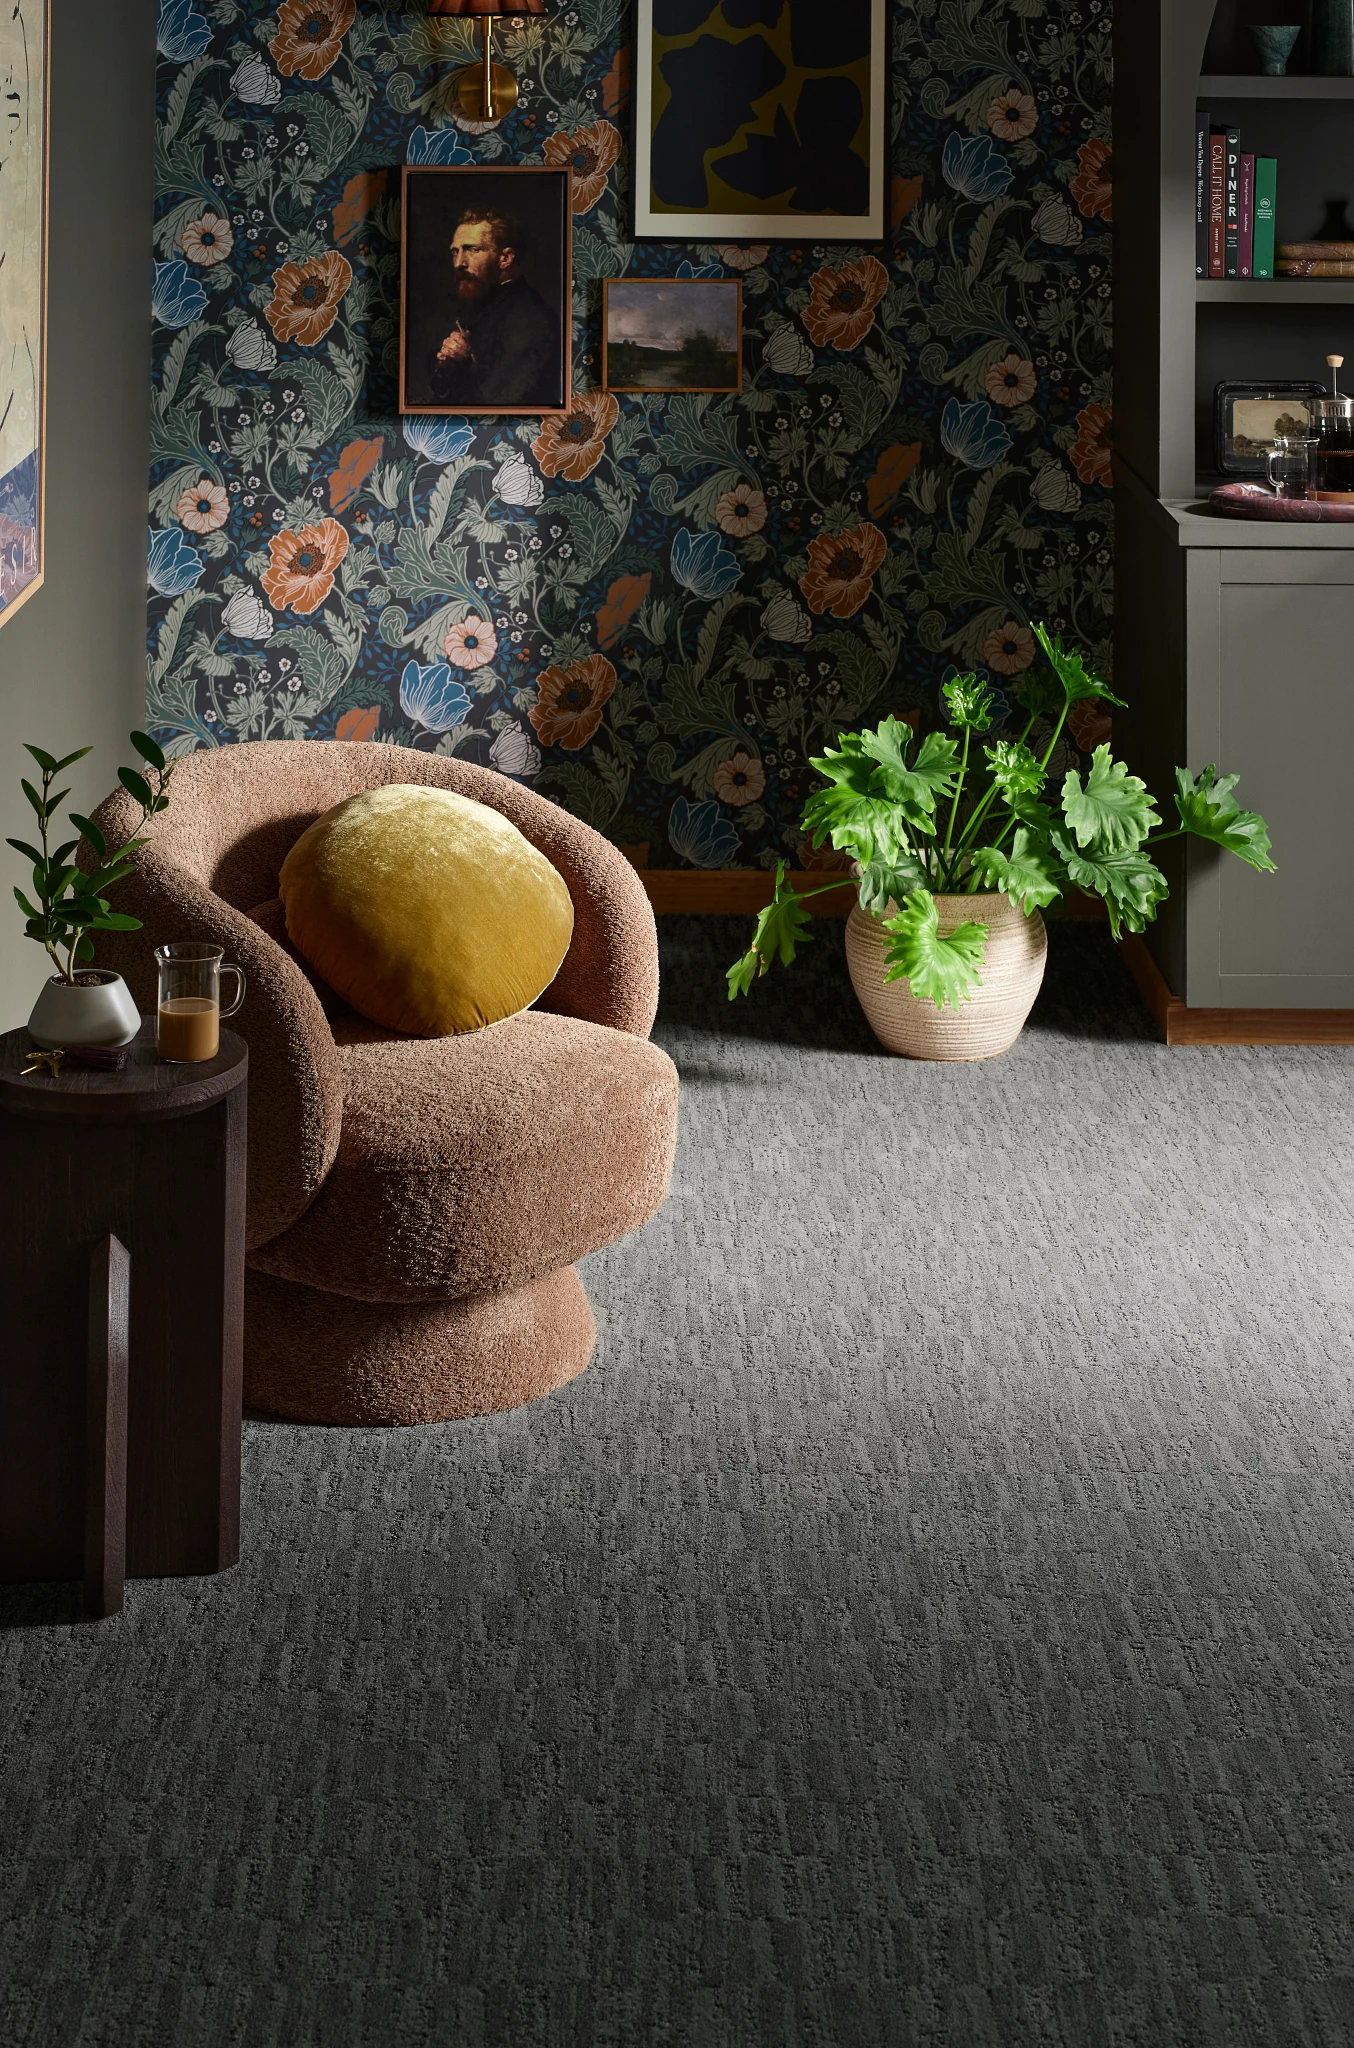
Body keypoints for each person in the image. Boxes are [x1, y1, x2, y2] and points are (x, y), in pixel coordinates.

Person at [425, 207, 559, 408]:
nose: (459, 262)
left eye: (473, 250)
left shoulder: (531, 319)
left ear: (506, 258)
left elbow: (501, 405)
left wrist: (465, 364)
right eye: (455, 251)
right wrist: (446, 362)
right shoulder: (483, 302)